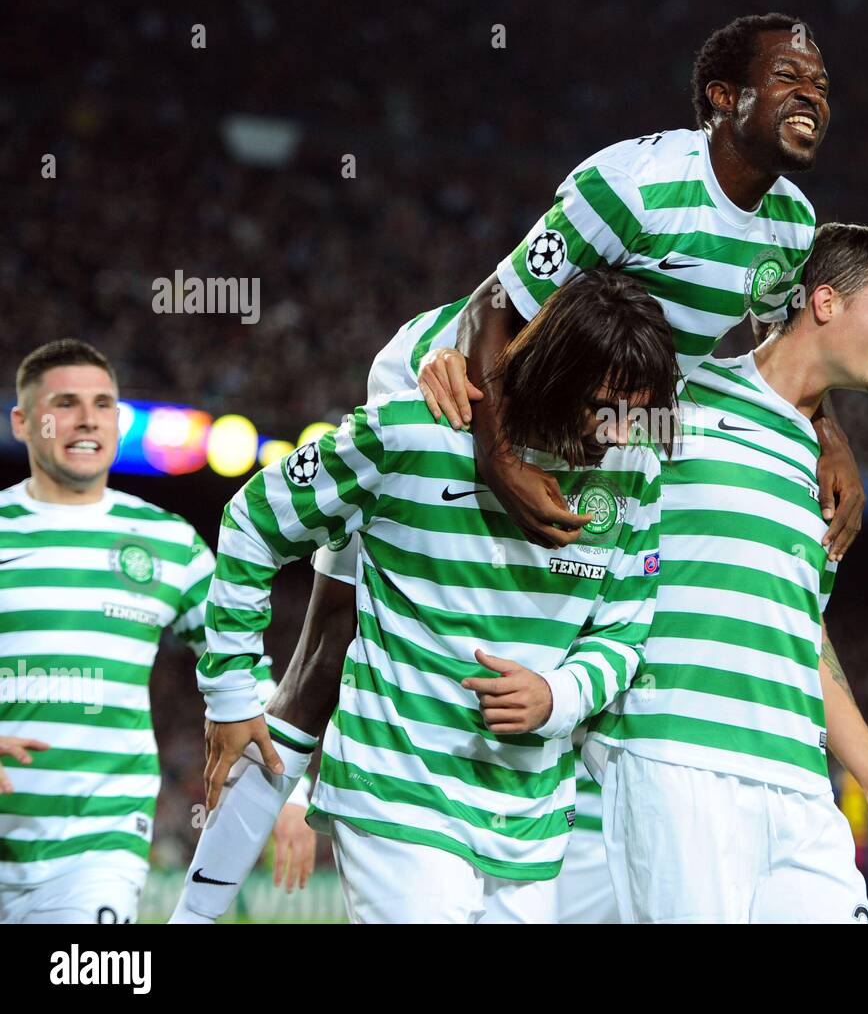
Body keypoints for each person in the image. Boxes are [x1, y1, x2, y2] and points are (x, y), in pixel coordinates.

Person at [173, 270, 676, 924]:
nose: (616, 431)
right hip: (399, 794)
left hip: (530, 820)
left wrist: (559, 695)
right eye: (601, 405)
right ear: (554, 369)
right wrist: (231, 690)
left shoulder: (635, 469)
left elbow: (624, 630)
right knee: (314, 666)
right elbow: (253, 520)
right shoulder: (414, 430)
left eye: (635, 413)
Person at [582, 223, 868, 922]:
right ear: (826, 303)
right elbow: (577, 418)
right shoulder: (683, 399)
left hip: (801, 782)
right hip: (675, 760)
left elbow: (804, 635)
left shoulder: (826, 474)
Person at [0, 339, 311, 924]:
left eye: (103, 404)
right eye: (65, 403)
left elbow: (244, 674)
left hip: (95, 844)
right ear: (23, 421)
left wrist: (290, 795)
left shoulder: (167, 543)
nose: (88, 418)